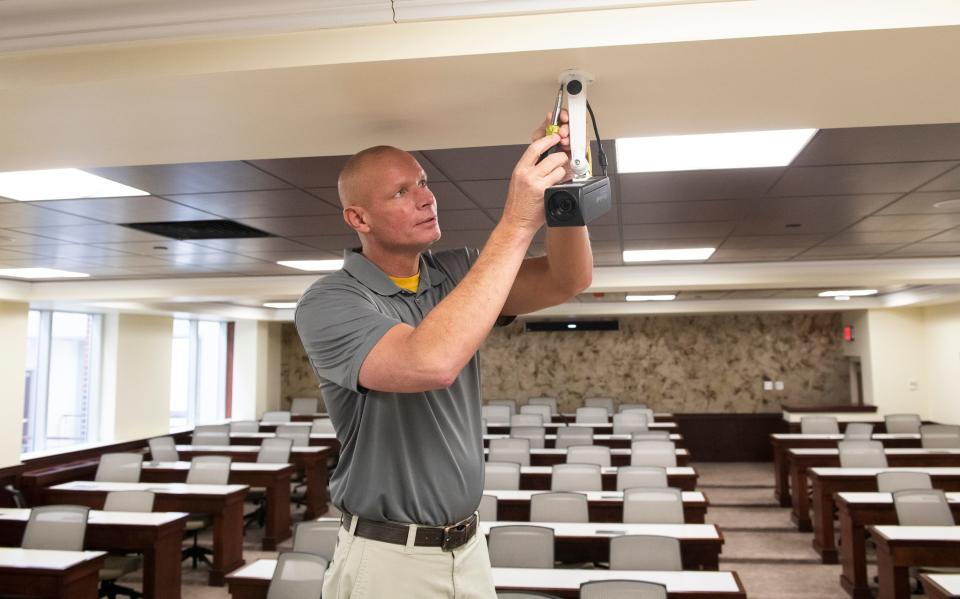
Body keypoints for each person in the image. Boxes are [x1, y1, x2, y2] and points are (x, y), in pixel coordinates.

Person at [294, 110, 593, 598]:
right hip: (390, 558)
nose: (427, 197)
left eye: (424, 183)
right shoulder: (330, 301)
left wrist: (566, 188)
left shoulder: (457, 272)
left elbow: (567, 279)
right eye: (401, 192)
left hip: (468, 547)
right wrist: (517, 223)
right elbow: (428, 363)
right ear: (358, 218)